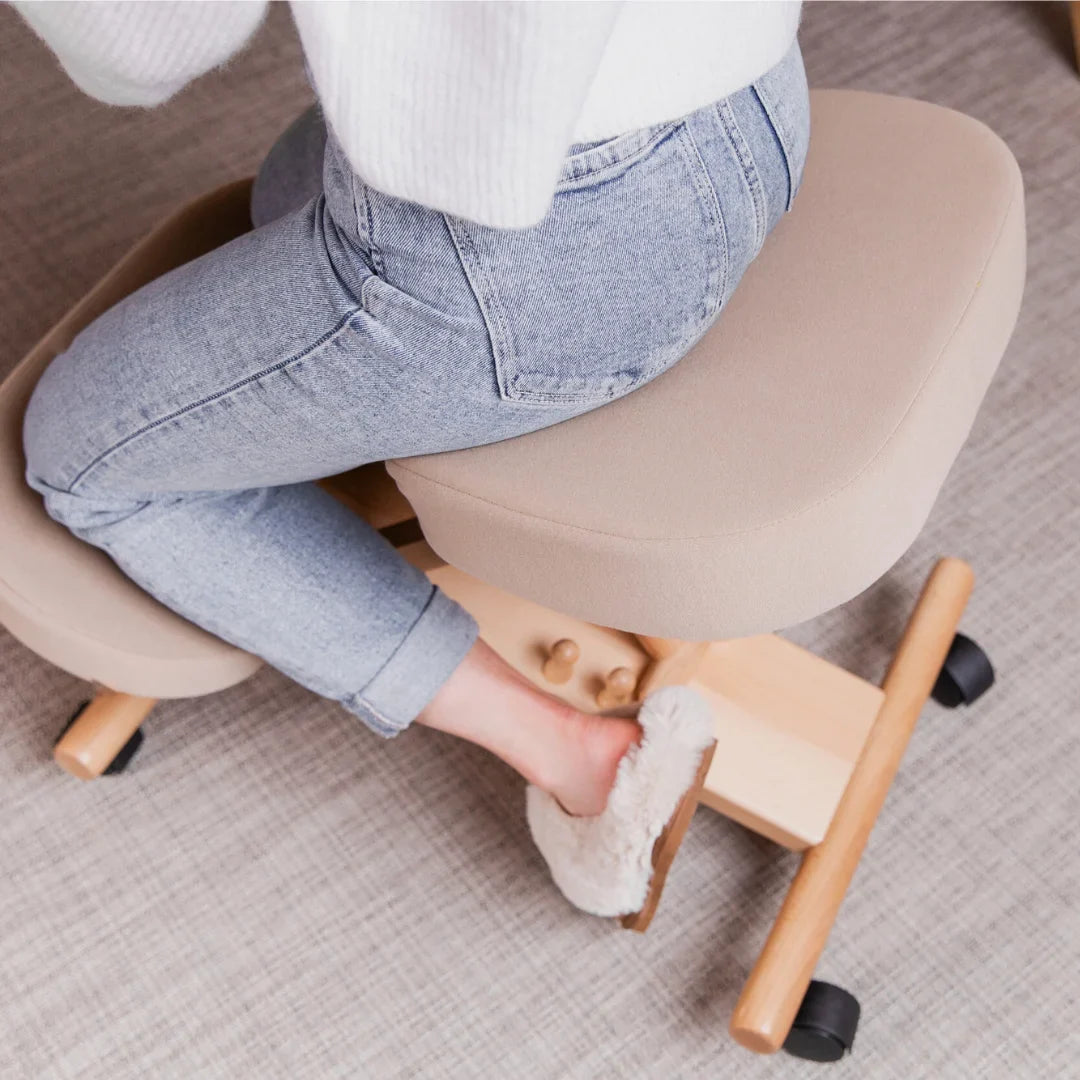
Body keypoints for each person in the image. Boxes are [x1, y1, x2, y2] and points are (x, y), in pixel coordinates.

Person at [16, 1, 809, 916]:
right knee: (284, 189)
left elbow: (145, 47)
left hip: (532, 265)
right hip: (753, 104)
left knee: (85, 458)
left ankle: (574, 754)